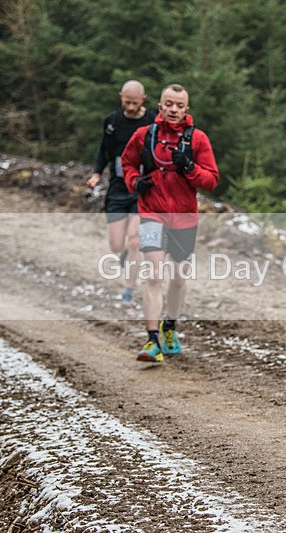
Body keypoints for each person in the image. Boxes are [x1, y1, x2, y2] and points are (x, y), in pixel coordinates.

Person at [121, 84, 219, 363]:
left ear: (186, 109)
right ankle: (151, 340)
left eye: (179, 105)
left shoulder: (197, 139)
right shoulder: (144, 135)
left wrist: (189, 167)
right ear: (160, 106)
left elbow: (212, 180)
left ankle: (170, 327)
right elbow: (126, 163)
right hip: (151, 212)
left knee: (177, 278)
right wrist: (134, 181)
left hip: (184, 218)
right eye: (168, 104)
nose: (173, 110)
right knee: (153, 275)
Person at [87, 80, 157, 307]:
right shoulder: (112, 122)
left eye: (134, 103)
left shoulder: (153, 121)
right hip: (118, 187)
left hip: (142, 188)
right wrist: (97, 173)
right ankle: (124, 252)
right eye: (126, 102)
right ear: (120, 97)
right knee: (116, 245)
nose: (129, 107)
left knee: (136, 239)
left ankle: (128, 289)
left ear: (143, 100)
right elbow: (103, 150)